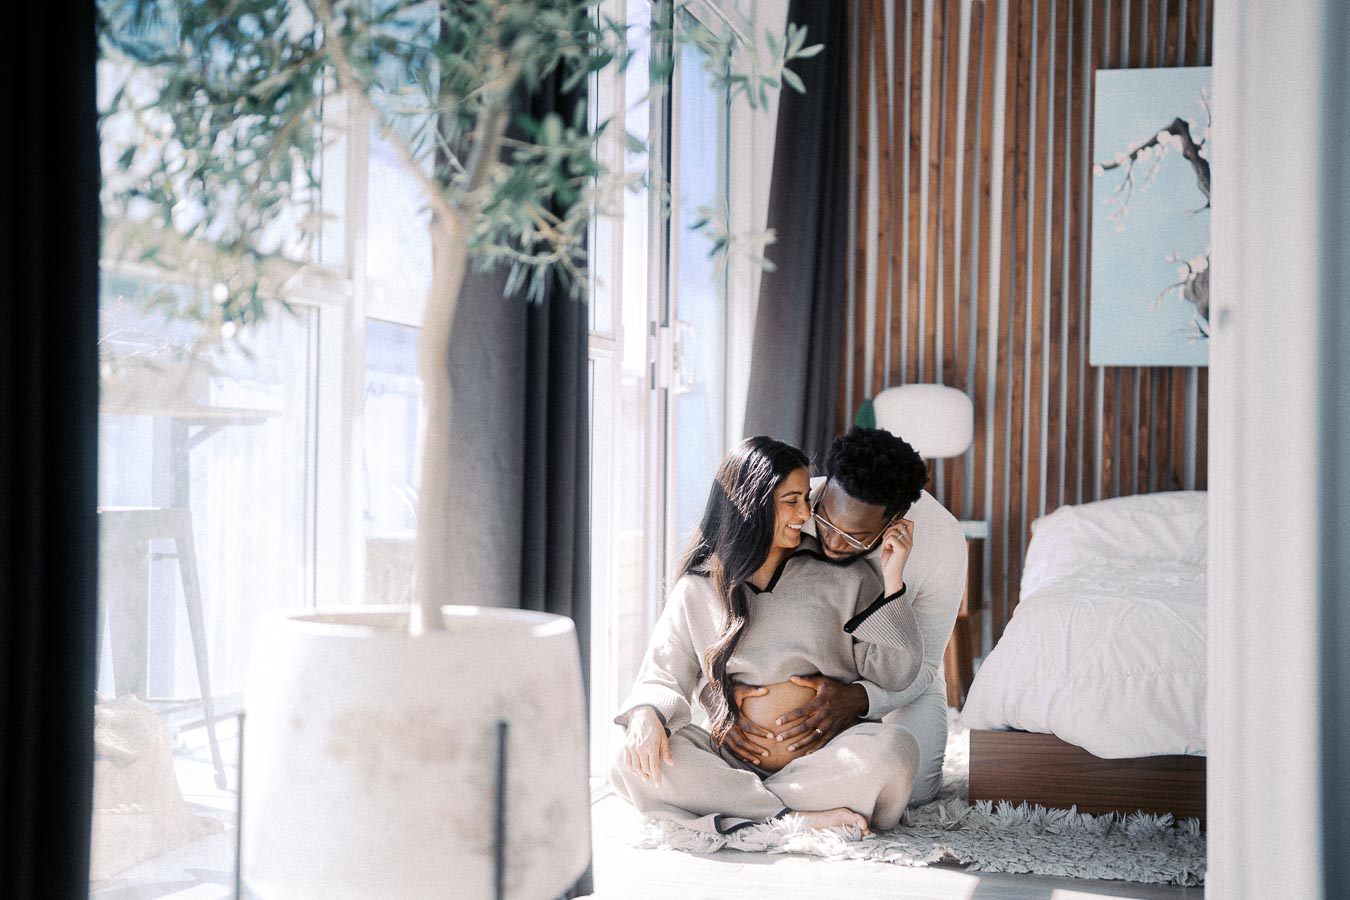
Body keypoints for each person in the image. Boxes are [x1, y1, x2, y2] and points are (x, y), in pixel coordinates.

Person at [610, 436, 924, 835]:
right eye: (791, 501)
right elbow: (663, 672)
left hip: (822, 760)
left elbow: (895, 674)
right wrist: (645, 714)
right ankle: (790, 816)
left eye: (806, 500)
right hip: (730, 760)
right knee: (627, 755)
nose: (805, 513)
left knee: (896, 750)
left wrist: (893, 582)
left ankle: (744, 807)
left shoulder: (849, 577)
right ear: (751, 503)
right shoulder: (698, 586)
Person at [765, 427, 967, 806]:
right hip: (809, 659)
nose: (835, 542)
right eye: (826, 522)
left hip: (898, 672)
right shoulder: (795, 504)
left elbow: (922, 666)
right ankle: (787, 794)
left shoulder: (942, 542)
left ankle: (794, 790)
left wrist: (857, 699)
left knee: (913, 788)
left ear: (897, 521)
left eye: (856, 537)